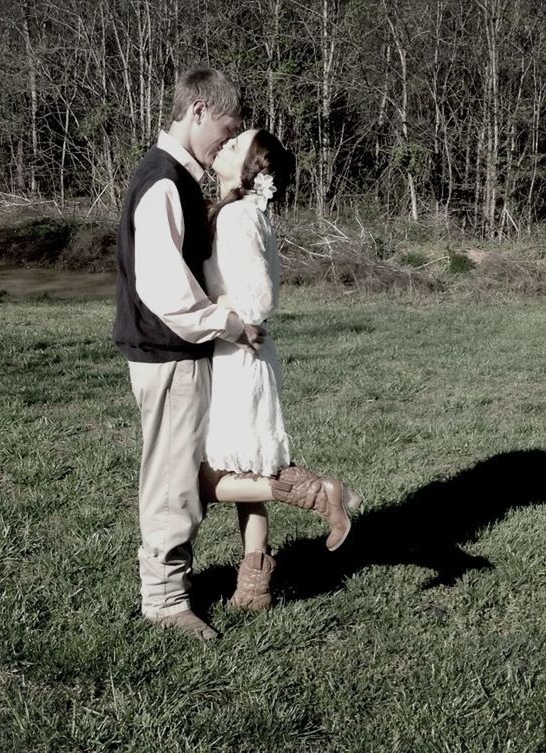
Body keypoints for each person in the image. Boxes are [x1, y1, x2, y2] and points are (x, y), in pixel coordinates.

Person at [113, 69, 266, 641]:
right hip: (168, 353)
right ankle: (166, 601)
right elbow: (165, 287)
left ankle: (171, 583)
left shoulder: (176, 179)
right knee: (173, 478)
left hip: (170, 352)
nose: (228, 142)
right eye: (226, 129)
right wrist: (229, 324)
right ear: (198, 110)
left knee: (177, 471)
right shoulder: (164, 181)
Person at [199, 128, 362, 612]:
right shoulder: (244, 212)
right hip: (242, 353)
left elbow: (260, 298)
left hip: (238, 354)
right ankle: (254, 588)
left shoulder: (237, 217)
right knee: (244, 468)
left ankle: (315, 494)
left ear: (255, 168)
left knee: (207, 479)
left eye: (235, 146)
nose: (224, 146)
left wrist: (210, 305)